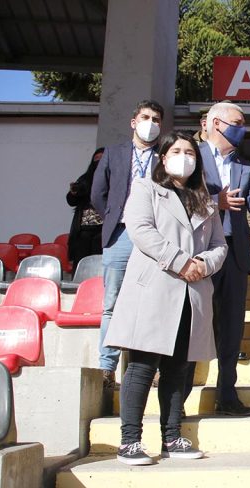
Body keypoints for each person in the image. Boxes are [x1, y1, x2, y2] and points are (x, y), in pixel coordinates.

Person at [104, 131, 227, 465]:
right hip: (156, 288)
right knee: (143, 366)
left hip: (193, 291)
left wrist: (203, 263)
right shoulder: (146, 189)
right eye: (176, 150)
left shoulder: (205, 198)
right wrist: (181, 261)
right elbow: (141, 230)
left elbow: (220, 245)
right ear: (163, 157)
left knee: (178, 369)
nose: (184, 156)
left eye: (190, 151)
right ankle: (129, 440)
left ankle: (172, 436)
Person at [191, 101, 250, 417]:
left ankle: (227, 395)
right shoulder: (191, 155)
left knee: (231, 327)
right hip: (200, 252)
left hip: (234, 253)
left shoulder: (244, 167)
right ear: (215, 123)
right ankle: (178, 400)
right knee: (194, 324)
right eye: (236, 122)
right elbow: (177, 197)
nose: (242, 128)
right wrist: (215, 201)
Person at [92, 99, 164, 388]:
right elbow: (98, 194)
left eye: (157, 119)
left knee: (155, 303)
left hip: (155, 237)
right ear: (134, 122)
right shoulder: (113, 153)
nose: (151, 123)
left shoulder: (165, 156)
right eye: (146, 117)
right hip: (120, 234)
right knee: (113, 303)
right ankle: (107, 367)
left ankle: (151, 368)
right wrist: (115, 216)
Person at [66, 148, 105, 271]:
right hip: (84, 227)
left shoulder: (113, 178)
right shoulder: (85, 178)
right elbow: (71, 201)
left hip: (103, 228)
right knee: (81, 260)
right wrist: (74, 192)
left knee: (98, 260)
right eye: (96, 159)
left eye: (101, 159)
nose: (98, 162)